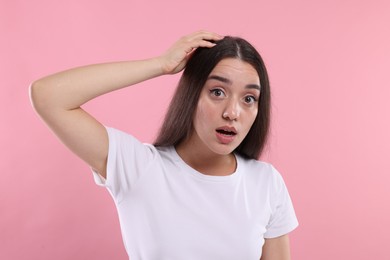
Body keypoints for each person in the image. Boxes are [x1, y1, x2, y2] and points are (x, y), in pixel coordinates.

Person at [30, 31, 298, 259]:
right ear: (192, 94)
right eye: (217, 92)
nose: (232, 112)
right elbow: (48, 95)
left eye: (249, 98)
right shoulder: (139, 168)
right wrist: (160, 64)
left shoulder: (266, 183)